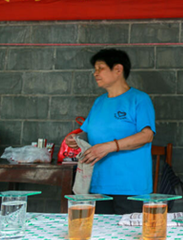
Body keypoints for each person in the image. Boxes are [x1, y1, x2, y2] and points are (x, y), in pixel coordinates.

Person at [65, 48, 156, 214]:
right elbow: (86, 132)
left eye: (100, 68)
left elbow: (147, 135)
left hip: (130, 187)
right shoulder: (99, 102)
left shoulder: (139, 99)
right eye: (95, 69)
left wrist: (109, 146)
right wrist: (75, 139)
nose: (95, 73)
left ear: (118, 69)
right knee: (98, 233)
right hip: (97, 185)